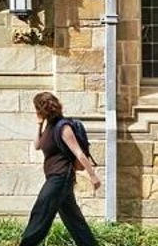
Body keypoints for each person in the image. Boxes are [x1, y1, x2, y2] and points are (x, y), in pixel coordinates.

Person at [19, 92, 101, 246]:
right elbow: (37, 145)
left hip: (61, 176)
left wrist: (93, 175)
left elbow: (79, 153)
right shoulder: (49, 126)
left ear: (40, 109)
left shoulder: (63, 127)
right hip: (55, 177)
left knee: (40, 211)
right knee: (74, 220)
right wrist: (39, 124)